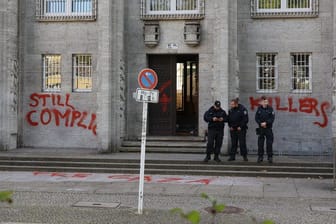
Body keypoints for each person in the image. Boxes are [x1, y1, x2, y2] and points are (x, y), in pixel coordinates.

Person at [255, 96, 275, 163]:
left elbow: (272, 118)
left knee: (269, 143)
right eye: (264, 102)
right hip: (261, 129)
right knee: (260, 143)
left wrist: (266, 123)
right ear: (261, 102)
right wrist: (260, 123)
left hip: (268, 128)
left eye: (266, 101)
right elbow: (256, 118)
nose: (265, 103)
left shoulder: (270, 109)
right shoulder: (259, 109)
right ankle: (260, 157)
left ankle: (270, 157)